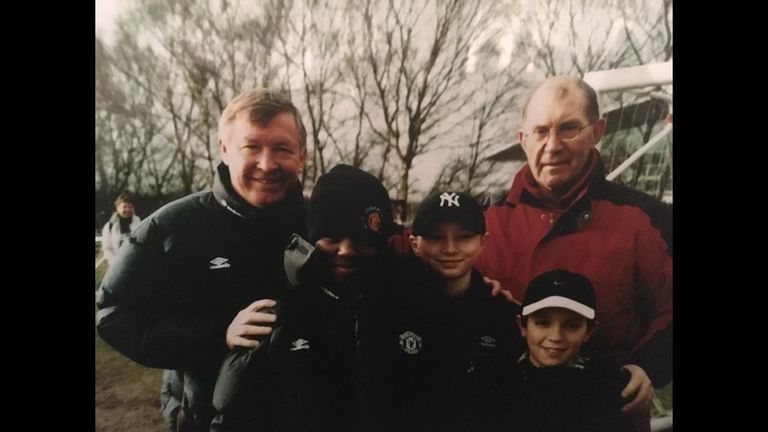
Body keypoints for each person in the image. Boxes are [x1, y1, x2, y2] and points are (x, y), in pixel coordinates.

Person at [96, 88, 308, 432]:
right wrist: (217, 337)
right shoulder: (172, 227)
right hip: (205, 418)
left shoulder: (319, 226)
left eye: (281, 148)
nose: (267, 163)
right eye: (251, 147)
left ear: (302, 155)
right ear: (224, 149)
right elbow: (113, 314)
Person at [475, 76, 672, 431]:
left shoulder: (648, 220)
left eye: (568, 129)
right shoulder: (478, 227)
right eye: (540, 131)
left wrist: (649, 365)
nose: (552, 146)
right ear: (523, 140)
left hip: (608, 419)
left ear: (597, 131)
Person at [212, 164, 415, 431]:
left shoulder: (407, 304)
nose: (346, 250)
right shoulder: (279, 313)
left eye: (361, 238)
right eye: (331, 236)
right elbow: (231, 416)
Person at [407, 191, 523, 432]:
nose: (450, 248)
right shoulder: (389, 307)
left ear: (483, 242)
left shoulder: (502, 315)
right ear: (415, 244)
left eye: (464, 237)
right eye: (436, 237)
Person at [509, 269, 632, 432]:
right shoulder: (495, 385)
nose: (556, 336)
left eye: (572, 325)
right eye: (543, 323)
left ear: (589, 331)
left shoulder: (609, 388)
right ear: (522, 326)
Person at [101, 192, 141, 266]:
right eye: (125, 207)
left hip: (136, 264)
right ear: (118, 208)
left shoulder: (140, 224)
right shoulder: (109, 226)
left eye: (130, 207)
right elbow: (107, 249)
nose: (128, 209)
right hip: (117, 265)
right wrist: (116, 263)